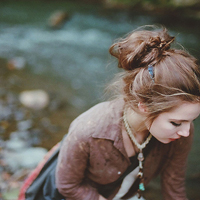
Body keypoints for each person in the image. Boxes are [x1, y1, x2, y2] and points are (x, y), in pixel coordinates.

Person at [18, 26, 200, 200]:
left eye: (190, 121)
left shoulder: (182, 132)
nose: (186, 131)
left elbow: (173, 187)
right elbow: (67, 186)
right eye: (176, 123)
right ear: (144, 106)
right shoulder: (88, 131)